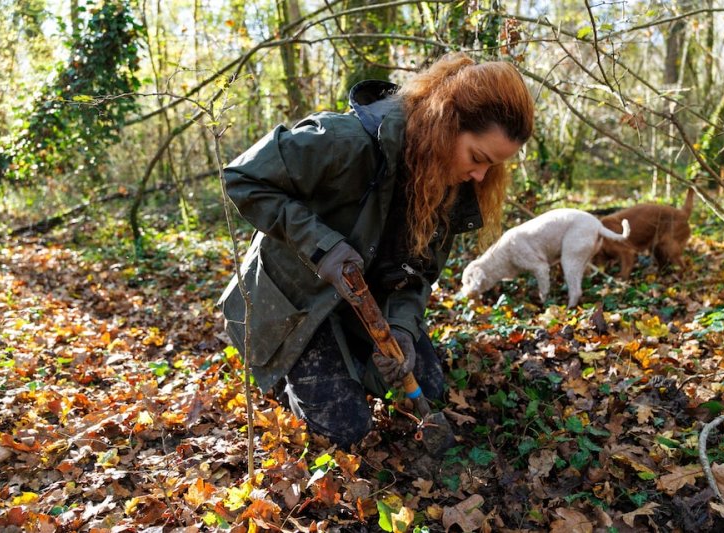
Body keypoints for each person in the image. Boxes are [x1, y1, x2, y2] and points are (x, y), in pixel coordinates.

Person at [218, 52, 535, 449]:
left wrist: (401, 329)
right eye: (477, 158)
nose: (479, 176)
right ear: (445, 123)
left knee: (429, 387)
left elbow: (418, 274)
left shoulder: (451, 186)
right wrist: (323, 247)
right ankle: (283, 370)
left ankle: (352, 361)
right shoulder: (344, 141)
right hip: (292, 302)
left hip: (362, 303)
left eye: (493, 167)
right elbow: (242, 177)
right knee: (346, 432)